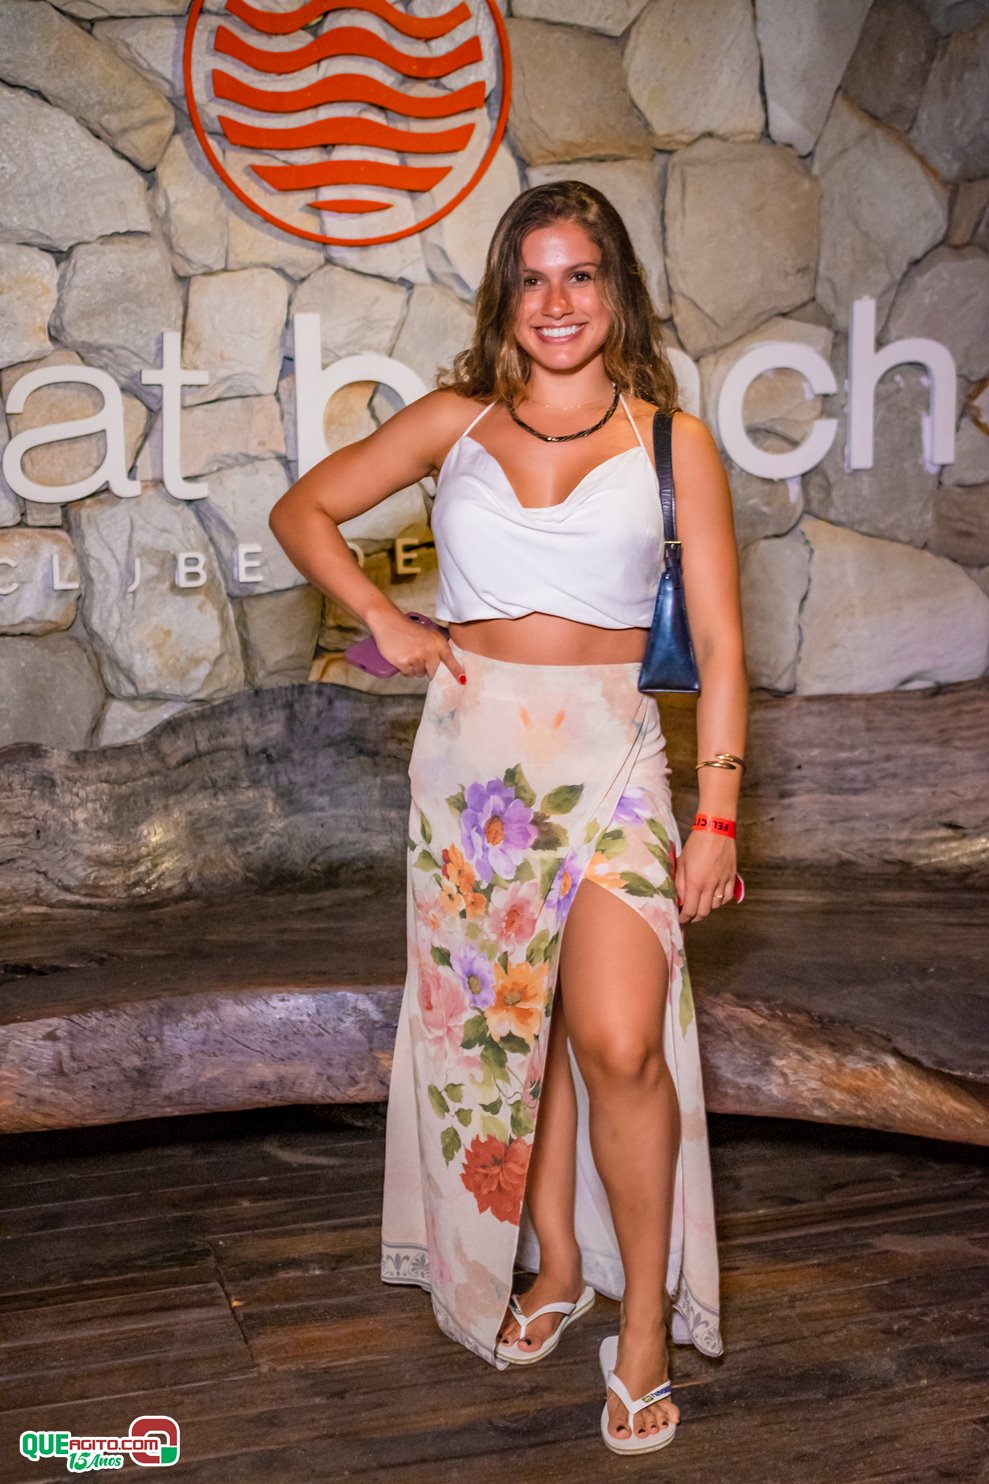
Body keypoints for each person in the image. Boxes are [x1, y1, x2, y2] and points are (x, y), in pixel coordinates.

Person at [269, 180, 746, 1457]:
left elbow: (717, 643)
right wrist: (384, 620)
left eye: (578, 273)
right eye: (531, 277)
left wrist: (716, 814)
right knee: (507, 1036)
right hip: (473, 774)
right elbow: (301, 512)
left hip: (615, 756)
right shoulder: (455, 420)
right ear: (504, 296)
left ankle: (642, 1321)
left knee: (617, 1038)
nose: (555, 300)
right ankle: (553, 1263)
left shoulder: (672, 442)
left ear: (615, 290)